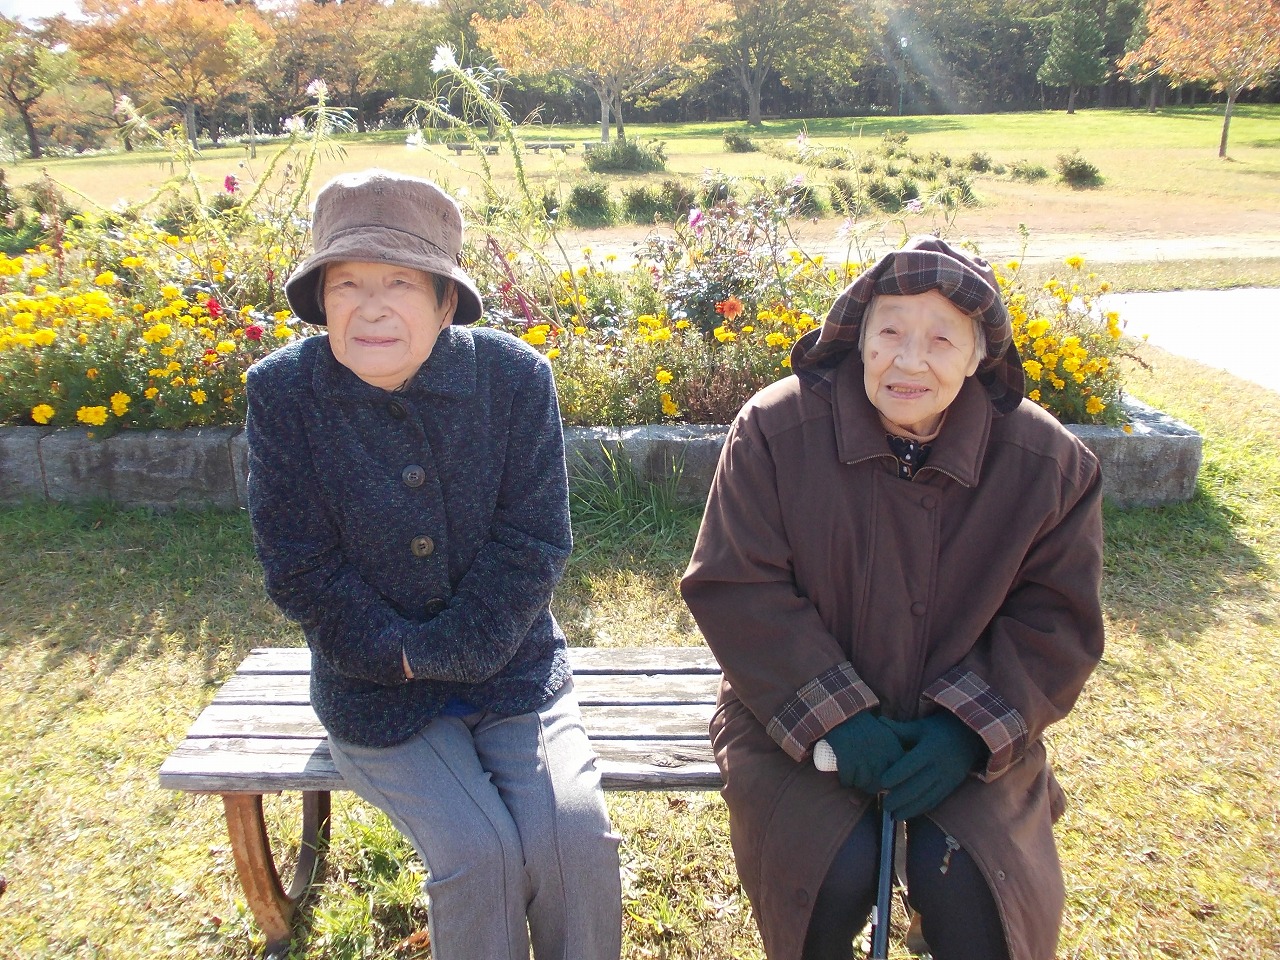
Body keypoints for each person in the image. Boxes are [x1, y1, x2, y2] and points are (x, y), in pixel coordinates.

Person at [680, 236, 1104, 960]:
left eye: (942, 339)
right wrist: (837, 718)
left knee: (974, 885)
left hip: (968, 725)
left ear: (977, 356)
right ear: (860, 339)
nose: (909, 361)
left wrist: (965, 733)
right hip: (790, 713)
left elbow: (1055, 621)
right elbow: (738, 584)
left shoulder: (1049, 463)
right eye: (891, 332)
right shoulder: (775, 430)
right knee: (828, 871)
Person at [245, 169, 622, 960]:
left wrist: (461, 645)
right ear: (322, 301)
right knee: (478, 856)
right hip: (371, 688)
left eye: (400, 283)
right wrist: (399, 654)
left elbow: (534, 541)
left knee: (574, 839)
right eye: (347, 284)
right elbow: (298, 563)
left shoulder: (513, 378)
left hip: (513, 668)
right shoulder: (285, 393)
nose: (371, 306)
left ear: (447, 301)